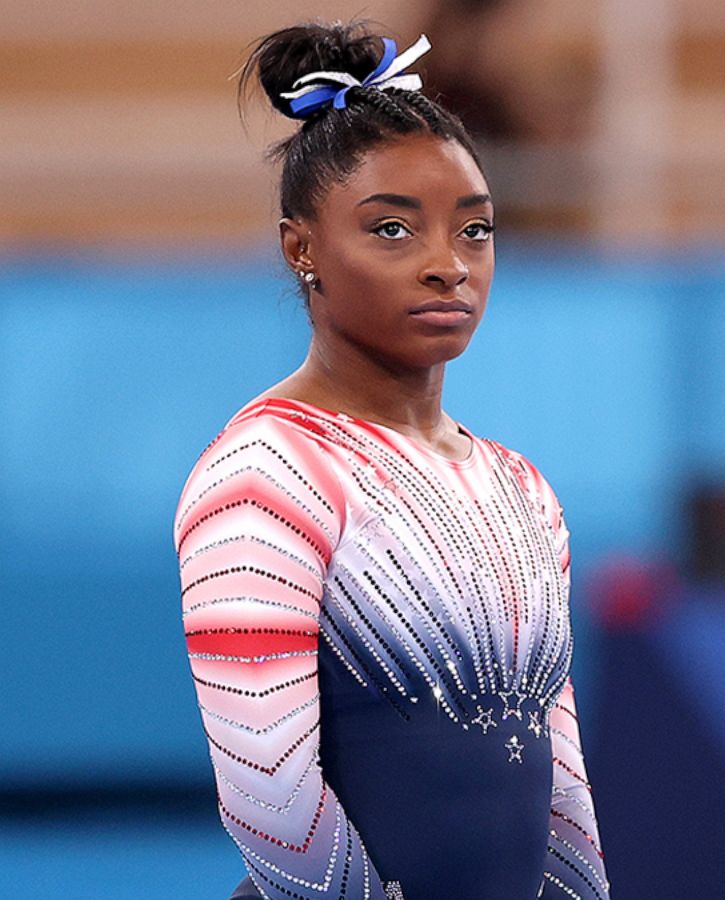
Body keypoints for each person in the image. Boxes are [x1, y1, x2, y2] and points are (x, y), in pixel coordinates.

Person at [174, 23, 608, 900]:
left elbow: (559, 780)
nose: (448, 266)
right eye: (393, 230)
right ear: (304, 250)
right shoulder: (268, 474)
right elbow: (268, 796)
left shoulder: (520, 488)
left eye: (475, 230)